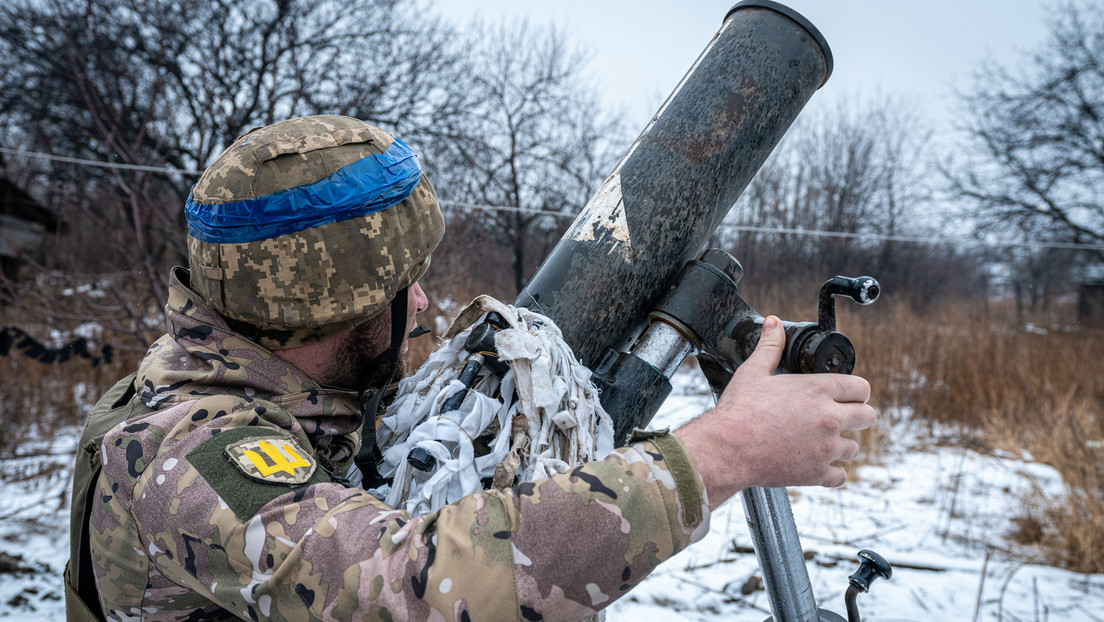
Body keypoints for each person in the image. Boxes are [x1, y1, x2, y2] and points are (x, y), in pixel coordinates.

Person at [66, 115, 875, 622]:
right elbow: (406, 589)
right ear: (324, 304)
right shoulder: (186, 449)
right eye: (399, 286)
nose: (421, 304)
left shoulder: (287, 393)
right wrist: (724, 453)